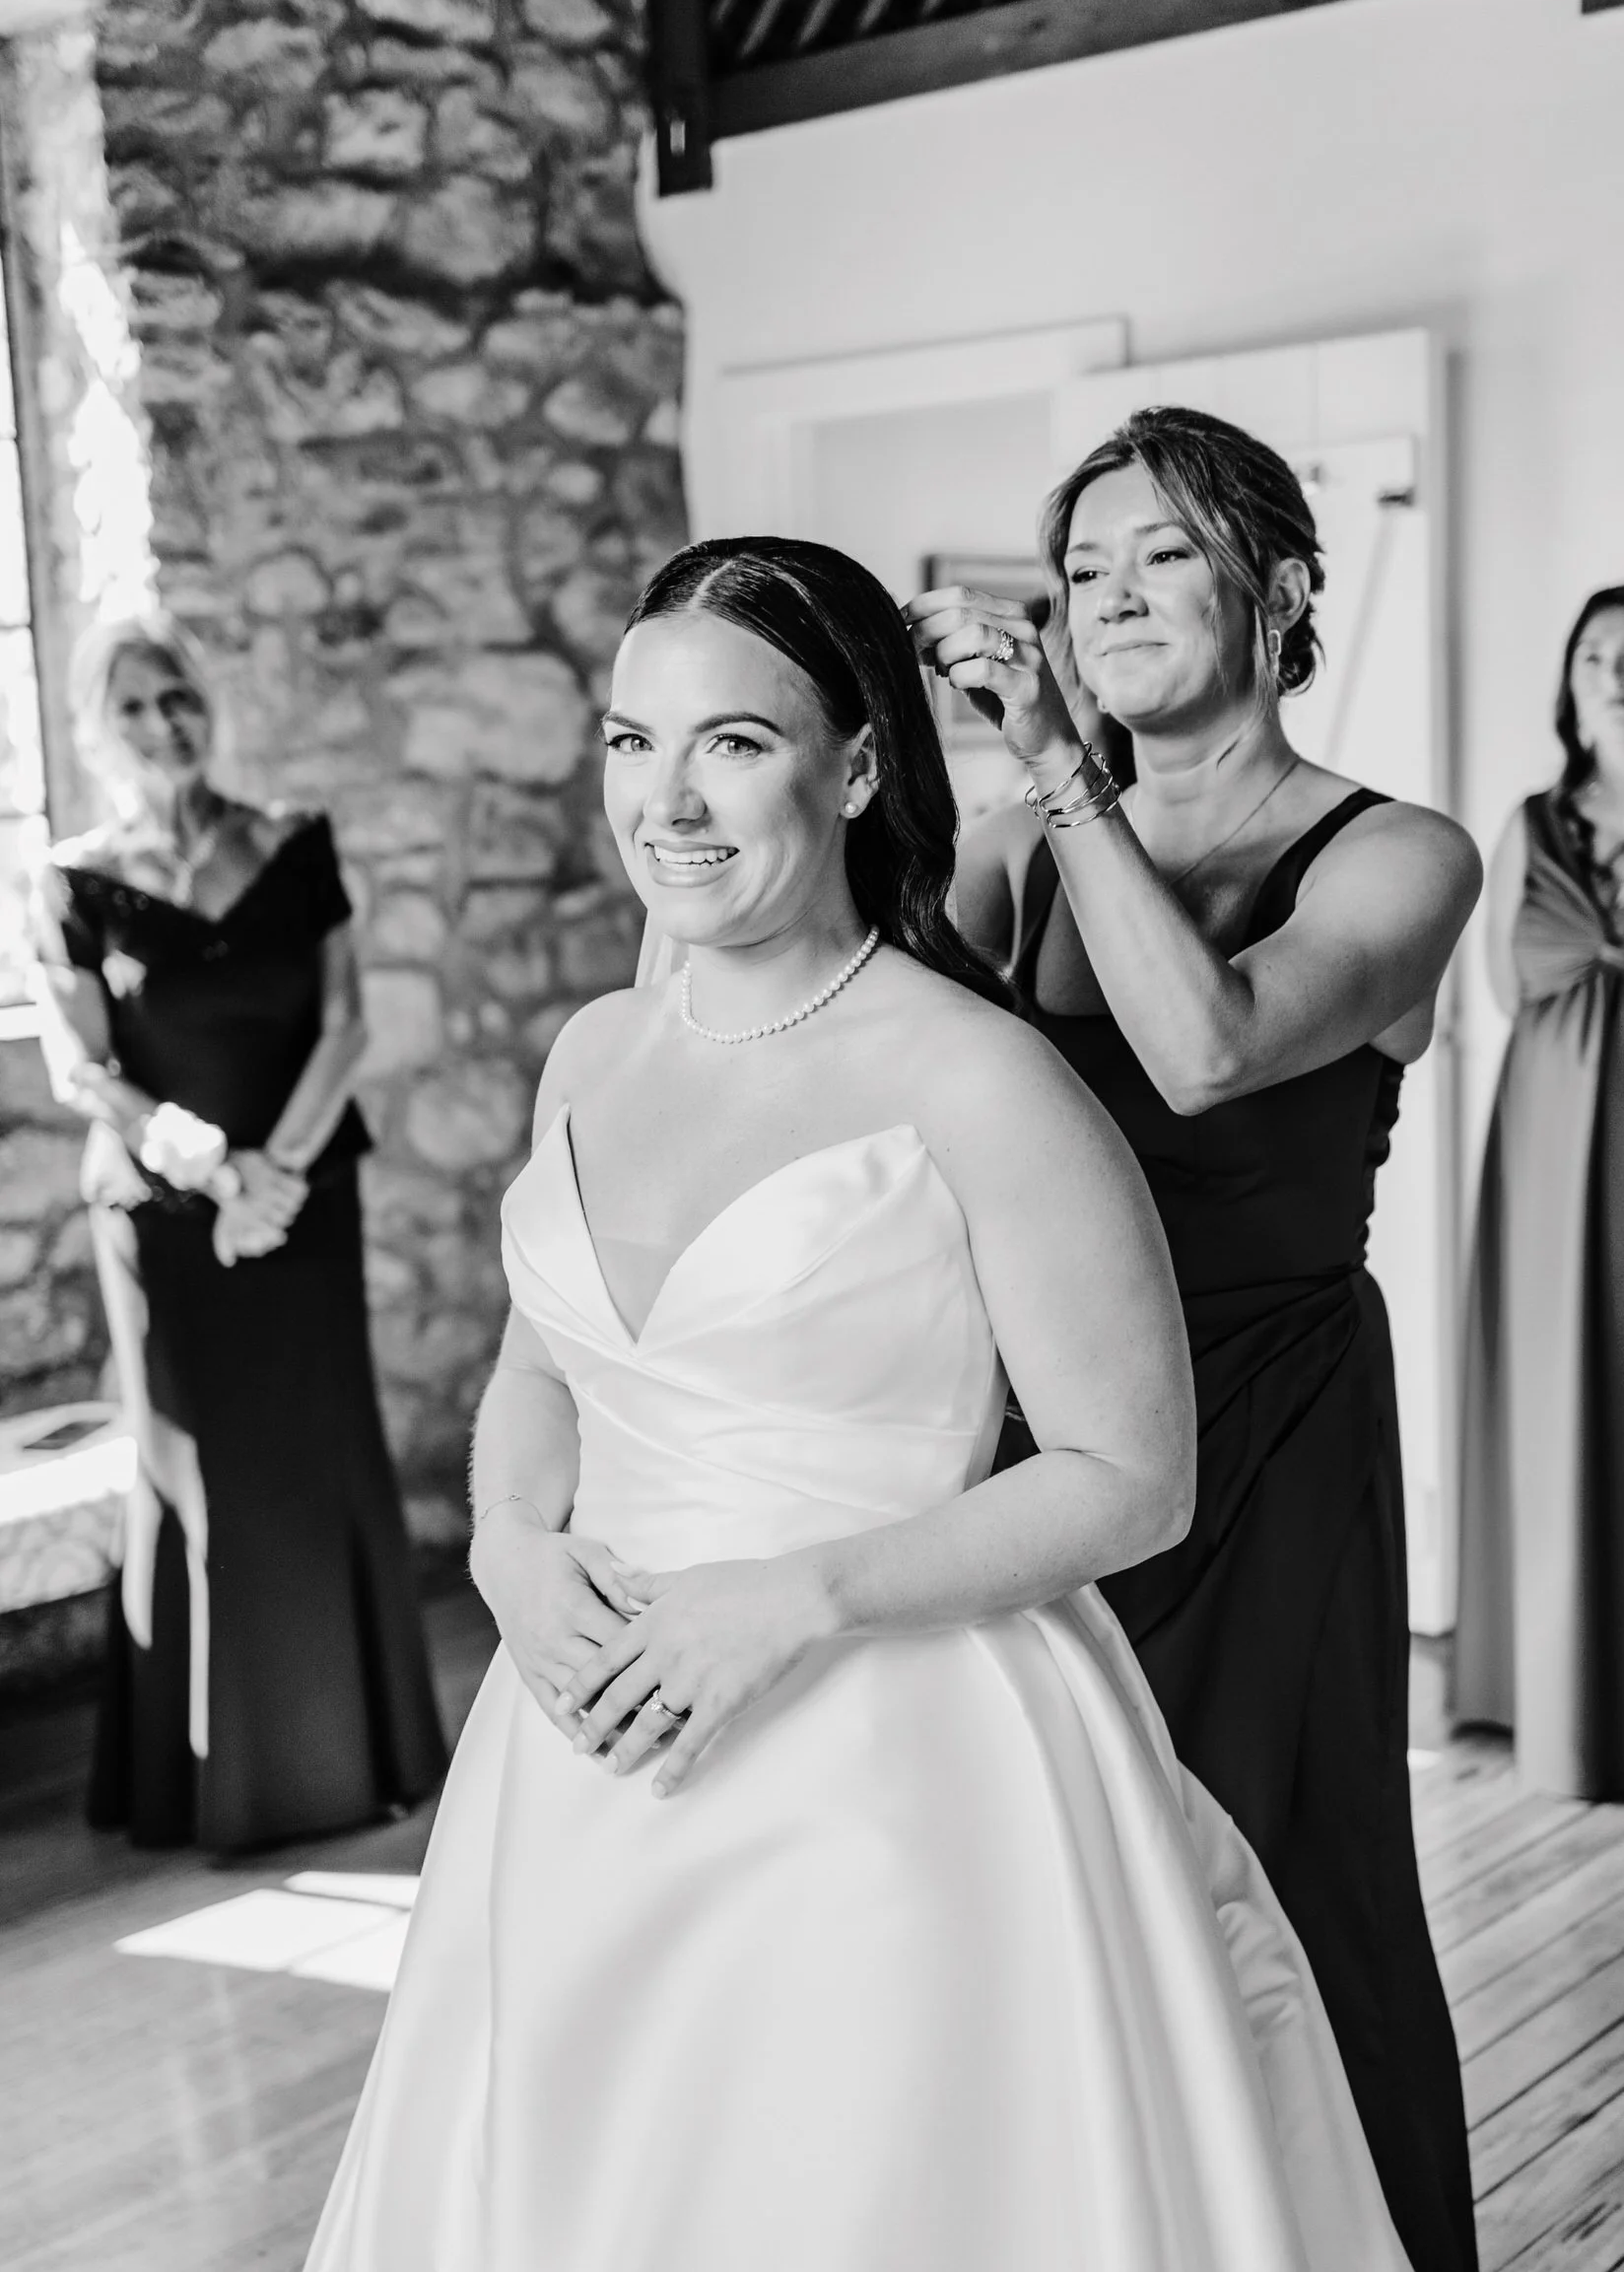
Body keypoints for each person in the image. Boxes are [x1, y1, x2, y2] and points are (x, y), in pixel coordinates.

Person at [306, 538, 1410, 2272]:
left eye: (732, 743)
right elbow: (541, 1369)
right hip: (583, 1747)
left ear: (856, 767)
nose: (667, 800)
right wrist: (511, 1540)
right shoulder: (595, 1049)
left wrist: (797, 1596)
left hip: (896, 1770)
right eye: (631, 742)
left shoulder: (976, 1073)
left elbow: (1134, 1476)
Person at [908, 408, 1481, 2272]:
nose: (1113, 596)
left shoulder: (1401, 855)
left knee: (1283, 1883)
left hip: (1271, 1435)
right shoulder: (1007, 853)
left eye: (1163, 553)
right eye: (1083, 569)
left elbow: (1207, 1047)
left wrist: (1058, 773)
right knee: (1054, 1879)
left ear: (1282, 587)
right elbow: (874, 1088)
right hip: (1051, 1447)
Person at [33, 611, 445, 1852]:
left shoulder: (293, 844)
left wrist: (278, 1176)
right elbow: (81, 1067)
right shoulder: (70, 881)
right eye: (133, 706)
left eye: (179, 697)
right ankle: (205, 1782)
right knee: (197, 1473)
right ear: (94, 731)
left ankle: (359, 1756)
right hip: (163, 1217)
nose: (163, 724)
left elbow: (345, 1022)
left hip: (306, 1199)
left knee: (322, 1449)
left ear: (208, 705)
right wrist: (215, 1172)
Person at [1456, 585, 1624, 1798]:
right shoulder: (1530, 823)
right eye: (1592, 653)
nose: (1611, 673)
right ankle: (1558, 1702)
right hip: (1548, 1137)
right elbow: (1506, 989)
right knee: (1557, 1388)